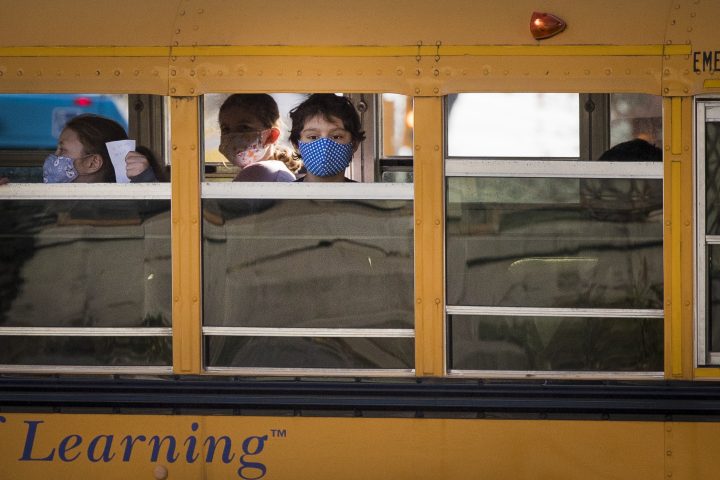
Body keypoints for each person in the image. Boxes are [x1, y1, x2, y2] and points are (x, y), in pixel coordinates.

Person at [41, 114, 165, 184]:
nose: (54, 156)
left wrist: (145, 180)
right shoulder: (59, 202)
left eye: (62, 150)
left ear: (93, 162)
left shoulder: (121, 209)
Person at [218, 94, 301, 182]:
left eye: (244, 127)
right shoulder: (277, 170)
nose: (232, 135)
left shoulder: (259, 171)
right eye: (225, 129)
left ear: (271, 136)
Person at [289, 94, 365, 182]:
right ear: (296, 145)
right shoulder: (283, 194)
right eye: (313, 137)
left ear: (354, 144)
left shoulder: (366, 195)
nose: (325, 146)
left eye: (336, 136)